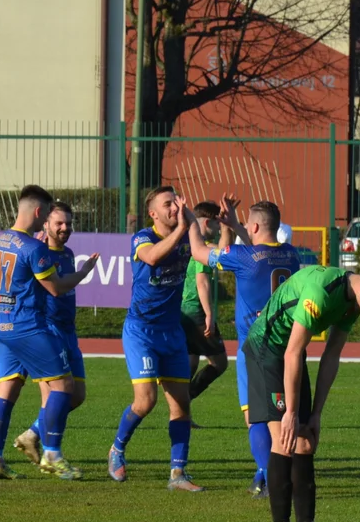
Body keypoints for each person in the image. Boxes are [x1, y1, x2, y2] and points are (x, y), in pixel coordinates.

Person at [245, 265, 360, 522]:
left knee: (305, 442)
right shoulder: (322, 293)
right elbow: (292, 351)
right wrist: (292, 412)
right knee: (285, 439)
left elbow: (331, 355)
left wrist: (316, 412)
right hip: (267, 351)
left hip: (290, 354)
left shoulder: (351, 303)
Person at [0, 185, 99, 480]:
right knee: (63, 388)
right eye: (48, 215)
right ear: (39, 213)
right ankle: (52, 455)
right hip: (29, 327)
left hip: (3, 324)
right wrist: (85, 273)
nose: (49, 221)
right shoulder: (34, 248)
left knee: (5, 393)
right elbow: (56, 288)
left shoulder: (1, 241)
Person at [192, 198, 300, 499]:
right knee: (280, 416)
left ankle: (270, 477)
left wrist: (190, 220)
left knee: (255, 417)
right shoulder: (291, 255)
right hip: (286, 346)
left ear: (254, 226)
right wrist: (237, 224)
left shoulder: (242, 256)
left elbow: (200, 252)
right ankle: (269, 474)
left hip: (253, 349)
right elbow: (261, 250)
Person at [107, 186, 209, 491]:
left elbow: (206, 252)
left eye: (177, 202)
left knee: (181, 405)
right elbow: (151, 257)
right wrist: (181, 228)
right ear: (153, 213)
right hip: (142, 331)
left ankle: (178, 474)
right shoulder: (143, 237)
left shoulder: (184, 234)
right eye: (168, 204)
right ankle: (116, 450)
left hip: (171, 332)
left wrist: (201, 223)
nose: (174, 208)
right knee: (146, 401)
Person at [12, 201, 89, 466]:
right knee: (53, 395)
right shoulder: (37, 252)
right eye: (59, 223)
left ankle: (32, 434)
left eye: (68, 222)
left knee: (77, 395)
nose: (65, 227)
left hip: (69, 331)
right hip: (47, 331)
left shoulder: (67, 253)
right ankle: (51, 456)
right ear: (45, 223)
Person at [180, 201, 230, 422]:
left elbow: (225, 253)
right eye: (218, 225)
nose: (219, 230)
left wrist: (229, 226)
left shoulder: (189, 243)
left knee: (191, 361)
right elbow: (202, 281)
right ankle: (185, 399)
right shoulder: (203, 248)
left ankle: (182, 413)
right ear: (208, 222)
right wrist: (209, 313)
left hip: (184, 310)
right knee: (219, 363)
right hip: (196, 311)